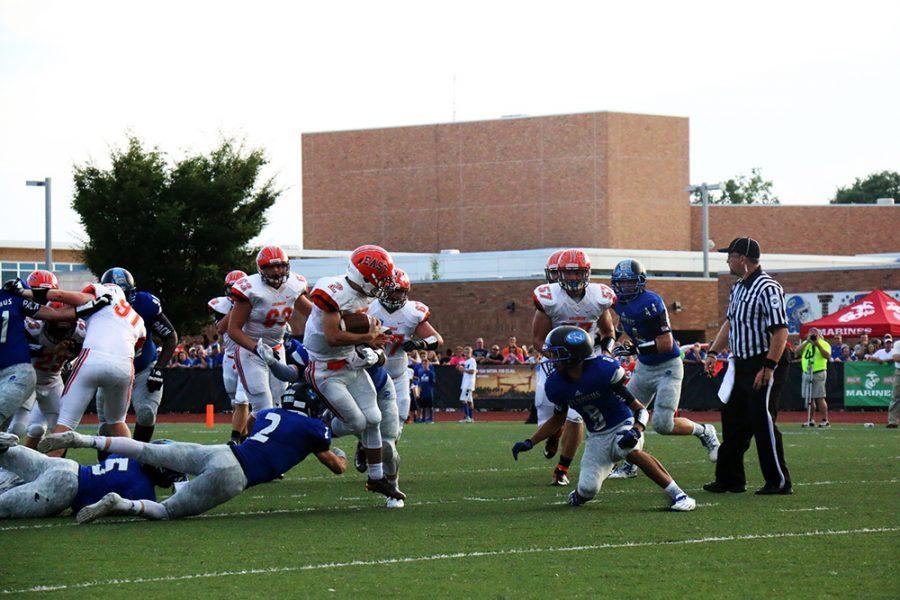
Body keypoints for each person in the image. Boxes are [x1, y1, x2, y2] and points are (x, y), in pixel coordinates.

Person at [38, 389, 347, 522]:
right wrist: (340, 454)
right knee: (166, 511)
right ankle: (122, 504)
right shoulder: (314, 428)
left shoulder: (271, 412)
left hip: (221, 452)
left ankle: (82, 439)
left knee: (146, 449)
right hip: (234, 476)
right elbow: (336, 468)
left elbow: (252, 420)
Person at [510, 326, 696, 511]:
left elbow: (640, 410)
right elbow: (558, 419)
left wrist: (635, 431)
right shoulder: (556, 385)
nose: (551, 359)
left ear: (574, 355)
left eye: (557, 354)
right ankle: (579, 495)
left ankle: (679, 495)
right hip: (597, 437)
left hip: (622, 424)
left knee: (626, 448)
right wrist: (530, 442)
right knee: (587, 489)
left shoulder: (602, 370)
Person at [303, 244, 402, 500]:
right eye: (377, 280)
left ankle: (376, 478)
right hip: (325, 368)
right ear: (361, 276)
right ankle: (315, 430)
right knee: (356, 422)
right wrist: (368, 337)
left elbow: (358, 328)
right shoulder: (332, 290)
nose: (381, 286)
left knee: (374, 418)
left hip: (350, 361)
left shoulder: (365, 294)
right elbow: (333, 336)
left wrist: (372, 336)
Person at [8, 272, 146, 449]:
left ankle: (48, 469)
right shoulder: (32, 325)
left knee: (60, 426)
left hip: (52, 380)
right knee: (23, 427)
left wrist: (70, 356)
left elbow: (65, 301)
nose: (61, 329)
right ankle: (135, 464)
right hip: (29, 377)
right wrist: (49, 350)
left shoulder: (81, 328)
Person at [609, 259, 720, 480]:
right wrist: (614, 341)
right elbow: (624, 322)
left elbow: (666, 344)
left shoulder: (651, 302)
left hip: (667, 368)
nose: (625, 288)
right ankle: (630, 463)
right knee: (623, 415)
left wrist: (634, 347)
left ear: (640, 283)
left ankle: (705, 431)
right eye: (621, 283)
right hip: (644, 368)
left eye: (630, 283)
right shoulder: (618, 302)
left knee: (662, 424)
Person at [703, 237, 792, 496]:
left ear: (742, 258)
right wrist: (712, 352)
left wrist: (768, 367)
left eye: (730, 256)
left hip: (764, 360)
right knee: (732, 420)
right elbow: (730, 324)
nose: (727, 261)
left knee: (762, 420)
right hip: (740, 362)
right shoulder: (739, 287)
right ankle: (730, 479)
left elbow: (781, 331)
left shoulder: (768, 287)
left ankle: (778, 481)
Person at [531, 248, 617, 486]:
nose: (572, 278)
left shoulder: (599, 296)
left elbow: (609, 332)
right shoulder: (549, 298)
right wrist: (558, 357)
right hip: (556, 361)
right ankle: (554, 434)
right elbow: (538, 341)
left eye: (577, 273)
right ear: (558, 275)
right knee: (548, 416)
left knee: (577, 416)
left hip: (586, 360)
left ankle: (562, 468)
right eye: (567, 274)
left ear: (587, 273)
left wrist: (606, 354)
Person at [228, 246, 311, 437]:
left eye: (280, 266)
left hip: (277, 348)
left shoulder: (294, 285)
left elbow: (312, 313)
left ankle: (250, 442)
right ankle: (256, 446)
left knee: (279, 403)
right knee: (263, 405)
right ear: (260, 269)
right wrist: (257, 349)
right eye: (270, 267)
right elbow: (233, 330)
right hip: (250, 352)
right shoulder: (250, 289)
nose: (276, 271)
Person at [0, 432, 180, 519]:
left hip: (66, 465)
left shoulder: (127, 456)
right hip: (66, 489)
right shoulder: (143, 490)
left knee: (11, 457)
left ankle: (7, 447)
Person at [96, 268, 178, 443]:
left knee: (147, 413)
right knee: (107, 427)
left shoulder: (144, 304)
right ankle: (104, 468)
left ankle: (139, 460)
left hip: (142, 367)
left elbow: (170, 336)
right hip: (112, 370)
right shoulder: (96, 306)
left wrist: (158, 369)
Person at [366, 268, 443, 428]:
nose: (398, 295)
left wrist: (419, 343)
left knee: (401, 413)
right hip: (372, 371)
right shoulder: (369, 308)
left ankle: (390, 448)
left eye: (401, 291)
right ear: (384, 290)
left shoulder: (412, 311)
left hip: (399, 372)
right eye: (394, 291)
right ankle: (366, 448)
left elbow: (437, 339)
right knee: (372, 417)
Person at [208, 270, 247, 442]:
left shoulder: (255, 301)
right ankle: (245, 439)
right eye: (232, 288)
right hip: (230, 357)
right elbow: (220, 329)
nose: (234, 292)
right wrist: (236, 307)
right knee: (235, 403)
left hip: (247, 356)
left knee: (242, 400)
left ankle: (234, 438)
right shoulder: (222, 305)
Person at [800, 327, 831, 428]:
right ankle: (811, 419)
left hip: (819, 372)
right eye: (811, 333)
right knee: (809, 398)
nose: (813, 335)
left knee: (819, 397)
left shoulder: (824, 343)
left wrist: (817, 344)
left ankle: (825, 420)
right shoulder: (806, 344)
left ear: (819, 334)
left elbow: (827, 356)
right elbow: (796, 352)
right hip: (807, 372)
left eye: (815, 333)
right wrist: (806, 342)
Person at [458, 346, 477, 423]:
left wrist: (464, 369)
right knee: (469, 400)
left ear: (471, 353)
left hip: (468, 384)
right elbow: (464, 372)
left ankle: (467, 417)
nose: (467, 353)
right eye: (466, 351)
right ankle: (471, 418)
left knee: (463, 399)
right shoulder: (466, 361)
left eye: (468, 351)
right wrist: (460, 369)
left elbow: (472, 371)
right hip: (465, 382)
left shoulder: (472, 360)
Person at [416, 358, 436, 423]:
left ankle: (431, 419)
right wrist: (418, 391)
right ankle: (423, 419)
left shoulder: (431, 373)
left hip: (429, 392)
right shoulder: (420, 372)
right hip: (422, 392)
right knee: (423, 406)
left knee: (430, 406)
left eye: (426, 364)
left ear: (428, 364)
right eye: (423, 364)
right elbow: (419, 382)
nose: (425, 365)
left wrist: (429, 387)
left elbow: (433, 382)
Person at [887, 339, 900, 428]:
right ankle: (892, 421)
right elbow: (896, 357)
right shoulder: (898, 343)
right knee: (896, 396)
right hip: (899, 371)